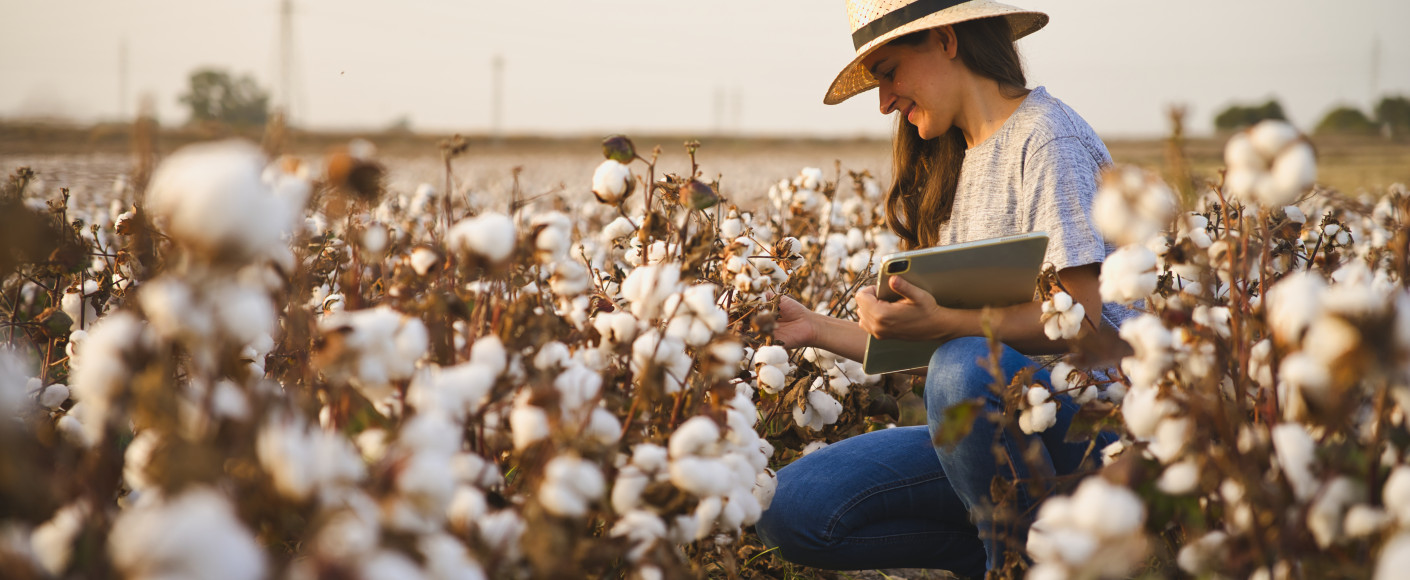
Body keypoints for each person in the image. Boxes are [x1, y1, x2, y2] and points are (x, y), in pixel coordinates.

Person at [754, 1, 1134, 576]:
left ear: (947, 41)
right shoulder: (950, 161)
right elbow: (940, 344)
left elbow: (1082, 319)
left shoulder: (1048, 139)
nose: (884, 101)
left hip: (1091, 427)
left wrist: (949, 329)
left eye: (889, 72)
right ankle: (999, 552)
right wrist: (813, 328)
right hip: (990, 429)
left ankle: (1017, 564)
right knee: (787, 509)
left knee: (959, 366)